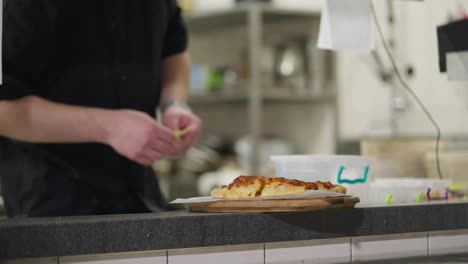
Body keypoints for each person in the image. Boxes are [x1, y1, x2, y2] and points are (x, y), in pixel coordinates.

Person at [0, 0, 202, 217]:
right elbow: (4, 111)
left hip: (140, 192)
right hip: (50, 199)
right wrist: (108, 127)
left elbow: (174, 51)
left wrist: (173, 104)